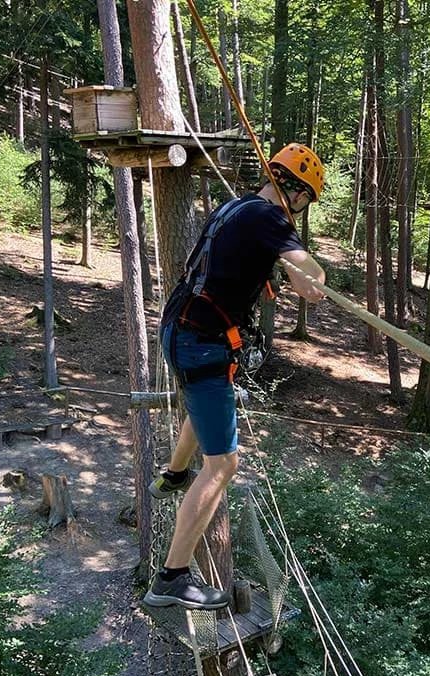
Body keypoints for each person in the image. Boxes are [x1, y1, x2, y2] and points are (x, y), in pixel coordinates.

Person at [142, 143, 328, 611]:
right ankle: (173, 577)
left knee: (202, 400)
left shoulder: (238, 206)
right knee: (224, 465)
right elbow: (311, 271)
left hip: (179, 329)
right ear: (299, 194)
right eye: (305, 200)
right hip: (200, 341)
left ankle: (174, 474)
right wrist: (313, 279)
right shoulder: (271, 220)